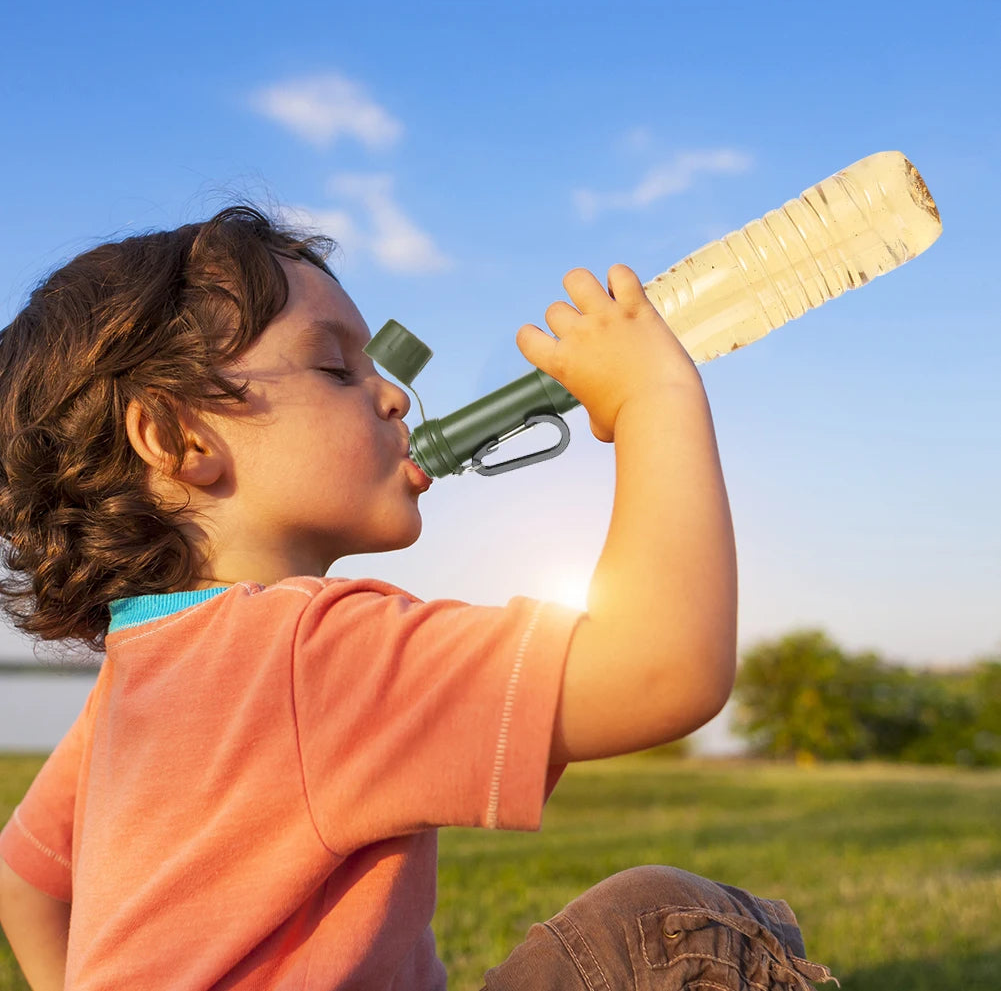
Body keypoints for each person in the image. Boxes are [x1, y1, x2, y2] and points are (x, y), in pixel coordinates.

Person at [0, 207, 835, 990]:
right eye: (335, 367)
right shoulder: (307, 654)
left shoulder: (136, 679)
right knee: (661, 923)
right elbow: (664, 668)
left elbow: (23, 880)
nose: (393, 395)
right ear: (179, 438)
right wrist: (655, 397)